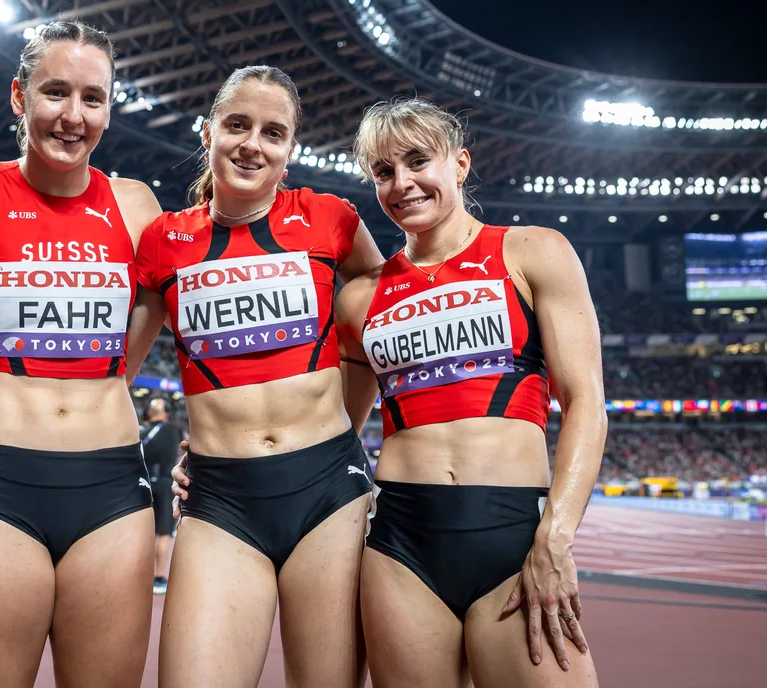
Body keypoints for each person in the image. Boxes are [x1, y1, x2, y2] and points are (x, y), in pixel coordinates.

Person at [0, 20, 164, 688]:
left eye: (92, 98)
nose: (73, 115)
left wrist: (120, 375)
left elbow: (158, 301)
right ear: (20, 96)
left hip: (112, 486)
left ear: (109, 109)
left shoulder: (135, 205)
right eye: (56, 92)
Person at [337, 97, 604, 687]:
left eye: (416, 161)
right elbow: (334, 430)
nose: (402, 183)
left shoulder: (533, 252)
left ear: (458, 164)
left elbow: (585, 401)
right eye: (383, 172)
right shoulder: (359, 298)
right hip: (400, 543)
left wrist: (556, 538)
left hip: (514, 538)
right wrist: (212, 458)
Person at [139, 65, 385, 688]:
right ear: (208, 132)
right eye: (237, 125)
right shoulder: (165, 241)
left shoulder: (332, 219)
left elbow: (378, 322)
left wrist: (349, 433)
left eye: (272, 132)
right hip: (220, 499)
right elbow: (111, 369)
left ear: (290, 148)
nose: (253, 143)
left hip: (329, 494)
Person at [139, 397, 184, 595]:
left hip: (145, 483)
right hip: (166, 484)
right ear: (165, 414)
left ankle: (139, 575)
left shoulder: (142, 433)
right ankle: (159, 578)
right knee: (164, 533)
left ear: (149, 414)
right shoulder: (174, 431)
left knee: (144, 533)